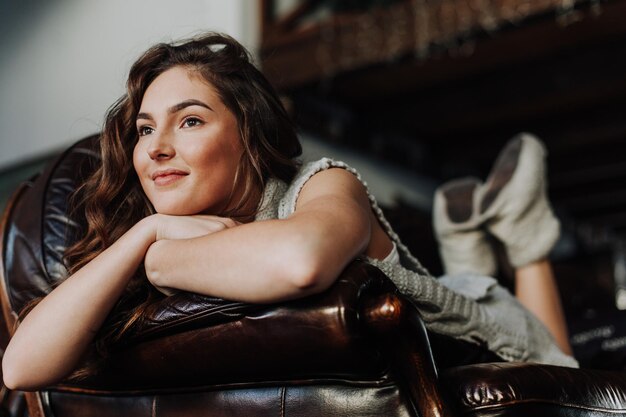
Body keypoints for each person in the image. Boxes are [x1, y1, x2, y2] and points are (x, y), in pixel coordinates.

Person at [2, 32, 577, 391]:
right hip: (434, 284)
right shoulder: (150, 231)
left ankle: (522, 232)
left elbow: (301, 261)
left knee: (557, 353)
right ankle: (467, 235)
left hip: (479, 320)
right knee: (466, 272)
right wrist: (143, 235)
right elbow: (20, 369)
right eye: (146, 129)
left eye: (191, 120)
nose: (155, 147)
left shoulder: (322, 184)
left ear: (248, 135)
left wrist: (158, 261)